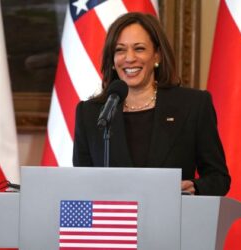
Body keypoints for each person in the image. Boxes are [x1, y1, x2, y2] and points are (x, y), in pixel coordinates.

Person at [72, 12, 230, 196]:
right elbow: (81, 185)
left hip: (172, 220)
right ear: (112, 61)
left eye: (139, 48)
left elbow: (218, 178)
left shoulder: (193, 105)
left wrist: (196, 187)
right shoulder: (90, 114)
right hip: (112, 222)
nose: (129, 58)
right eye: (120, 50)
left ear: (157, 56)